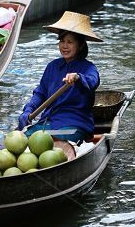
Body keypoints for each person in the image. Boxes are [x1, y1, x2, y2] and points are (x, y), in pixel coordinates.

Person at [17, 11, 103, 143]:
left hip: (75, 125)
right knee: (19, 140)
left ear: (80, 46)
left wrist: (78, 77)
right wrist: (28, 110)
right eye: (62, 41)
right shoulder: (52, 66)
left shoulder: (88, 68)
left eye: (70, 42)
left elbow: (93, 81)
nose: (64, 46)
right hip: (49, 122)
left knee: (50, 143)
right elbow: (41, 93)